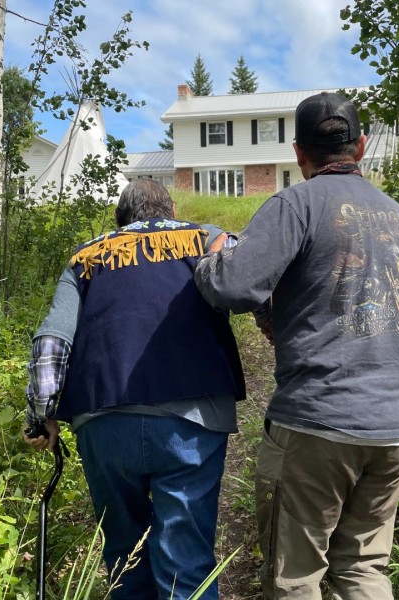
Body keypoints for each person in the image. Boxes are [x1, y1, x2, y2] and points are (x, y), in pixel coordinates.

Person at [194, 91, 399, 600]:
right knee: (363, 568)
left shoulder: (295, 204)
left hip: (319, 421)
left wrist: (211, 259)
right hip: (396, 425)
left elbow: (233, 286)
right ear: (361, 146)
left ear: (298, 152)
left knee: (295, 575)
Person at [22, 178, 245, 600]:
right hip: (192, 417)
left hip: (103, 421)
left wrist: (40, 415)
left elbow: (53, 340)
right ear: (172, 211)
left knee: (125, 556)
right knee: (187, 562)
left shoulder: (86, 257)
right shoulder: (206, 239)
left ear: (118, 219)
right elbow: (252, 279)